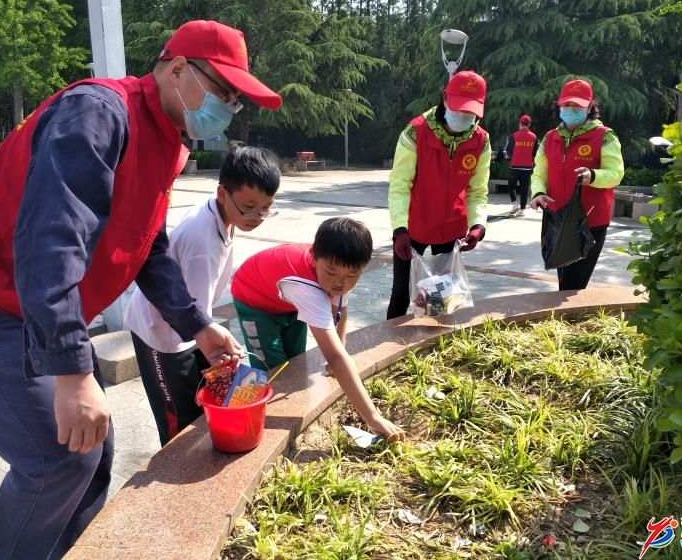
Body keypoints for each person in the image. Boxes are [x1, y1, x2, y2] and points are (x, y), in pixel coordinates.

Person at [0, 20, 282, 559]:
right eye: (223, 92)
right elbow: (51, 242)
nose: (227, 109)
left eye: (235, 101)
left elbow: (147, 249)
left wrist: (199, 327)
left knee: (94, 447)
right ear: (178, 68)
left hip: (29, 309)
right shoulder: (98, 114)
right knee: (59, 458)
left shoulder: (163, 142)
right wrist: (71, 371)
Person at [124, 144, 281, 446]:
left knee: (196, 403)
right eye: (249, 207)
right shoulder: (203, 244)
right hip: (161, 333)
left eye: (266, 206)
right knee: (178, 421)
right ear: (223, 193)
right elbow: (197, 314)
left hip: (184, 324)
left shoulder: (224, 213)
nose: (258, 216)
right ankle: (171, 480)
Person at [231, 217, 405, 442]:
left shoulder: (338, 271)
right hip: (253, 298)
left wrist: (338, 353)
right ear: (314, 258)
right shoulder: (309, 289)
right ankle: (271, 432)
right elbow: (334, 355)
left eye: (352, 276)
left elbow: (339, 312)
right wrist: (372, 417)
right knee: (274, 369)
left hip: (287, 301)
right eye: (331, 273)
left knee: (294, 361)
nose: (340, 283)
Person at [386, 70, 491, 319]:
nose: (464, 116)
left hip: (451, 227)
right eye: (459, 108)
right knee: (401, 292)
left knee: (443, 294)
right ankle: (389, 344)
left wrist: (478, 226)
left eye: (470, 112)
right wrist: (400, 229)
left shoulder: (480, 141)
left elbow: (477, 191)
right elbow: (400, 185)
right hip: (414, 228)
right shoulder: (416, 132)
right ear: (445, 98)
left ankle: (433, 340)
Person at [529, 79, 624, 290]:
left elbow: (616, 173)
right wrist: (538, 192)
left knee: (572, 285)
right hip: (557, 217)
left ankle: (567, 320)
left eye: (578, 106)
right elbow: (539, 172)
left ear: (590, 107)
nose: (571, 109)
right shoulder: (550, 137)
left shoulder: (604, 136)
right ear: (559, 106)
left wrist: (594, 175)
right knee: (564, 279)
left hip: (589, 221)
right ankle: (567, 320)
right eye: (567, 105)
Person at [505, 114, 538, 217]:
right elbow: (535, 153)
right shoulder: (534, 137)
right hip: (527, 167)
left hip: (515, 166)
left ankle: (515, 204)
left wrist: (510, 158)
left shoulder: (514, 136)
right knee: (524, 188)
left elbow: (509, 151)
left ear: (519, 123)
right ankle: (522, 210)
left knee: (511, 185)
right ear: (529, 125)